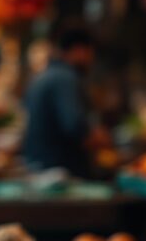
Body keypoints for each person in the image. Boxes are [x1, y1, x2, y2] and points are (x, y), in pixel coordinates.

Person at [23, 24, 97, 177]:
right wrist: (99, 139)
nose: (91, 59)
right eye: (90, 52)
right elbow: (74, 125)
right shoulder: (65, 78)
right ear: (79, 50)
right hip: (59, 172)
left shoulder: (43, 75)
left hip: (37, 167)